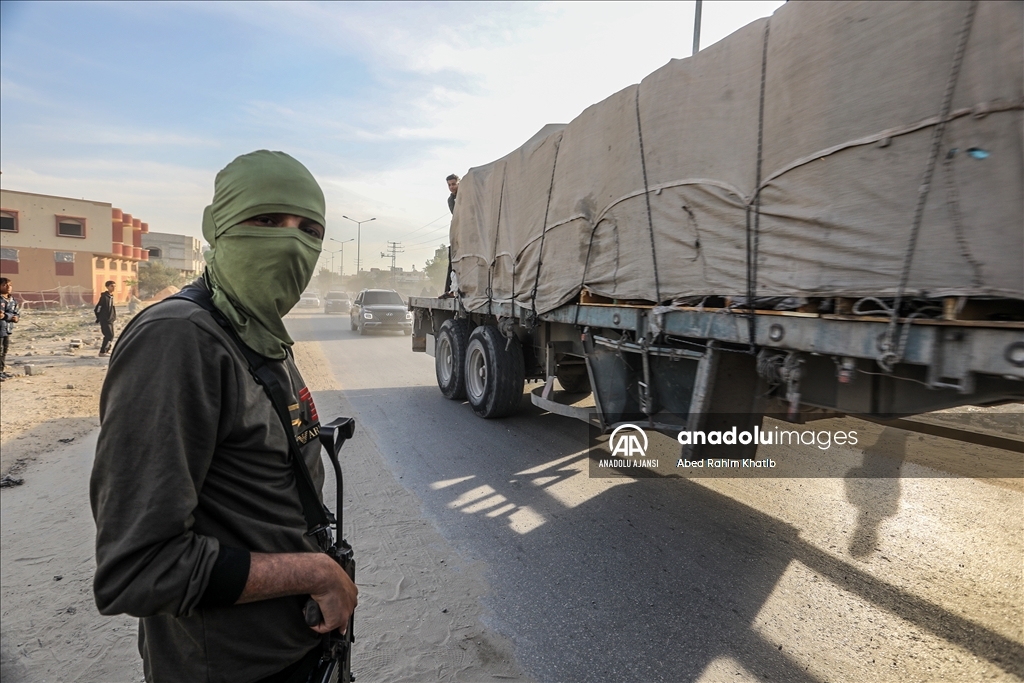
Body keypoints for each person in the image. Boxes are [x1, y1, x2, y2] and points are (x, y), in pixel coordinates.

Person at [91, 150, 358, 683]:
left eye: (309, 230)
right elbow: (137, 568)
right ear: (218, 229)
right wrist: (313, 571)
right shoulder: (178, 339)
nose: (289, 243)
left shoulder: (257, 335)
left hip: (297, 653)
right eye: (265, 221)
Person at [0, 277, 19, 380]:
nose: (8, 287)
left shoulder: (13, 300)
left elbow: (16, 313)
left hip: (7, 329)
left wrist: (15, 318)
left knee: (4, 351)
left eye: (10, 285)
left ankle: (1, 371)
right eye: (4, 285)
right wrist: (9, 316)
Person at [94, 280, 117, 356]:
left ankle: (107, 350)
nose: (113, 288)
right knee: (108, 335)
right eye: (111, 286)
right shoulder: (104, 297)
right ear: (107, 287)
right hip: (105, 320)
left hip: (110, 320)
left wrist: (113, 317)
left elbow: (112, 308)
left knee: (111, 335)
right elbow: (98, 308)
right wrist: (99, 318)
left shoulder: (111, 297)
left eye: (114, 286)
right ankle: (102, 352)